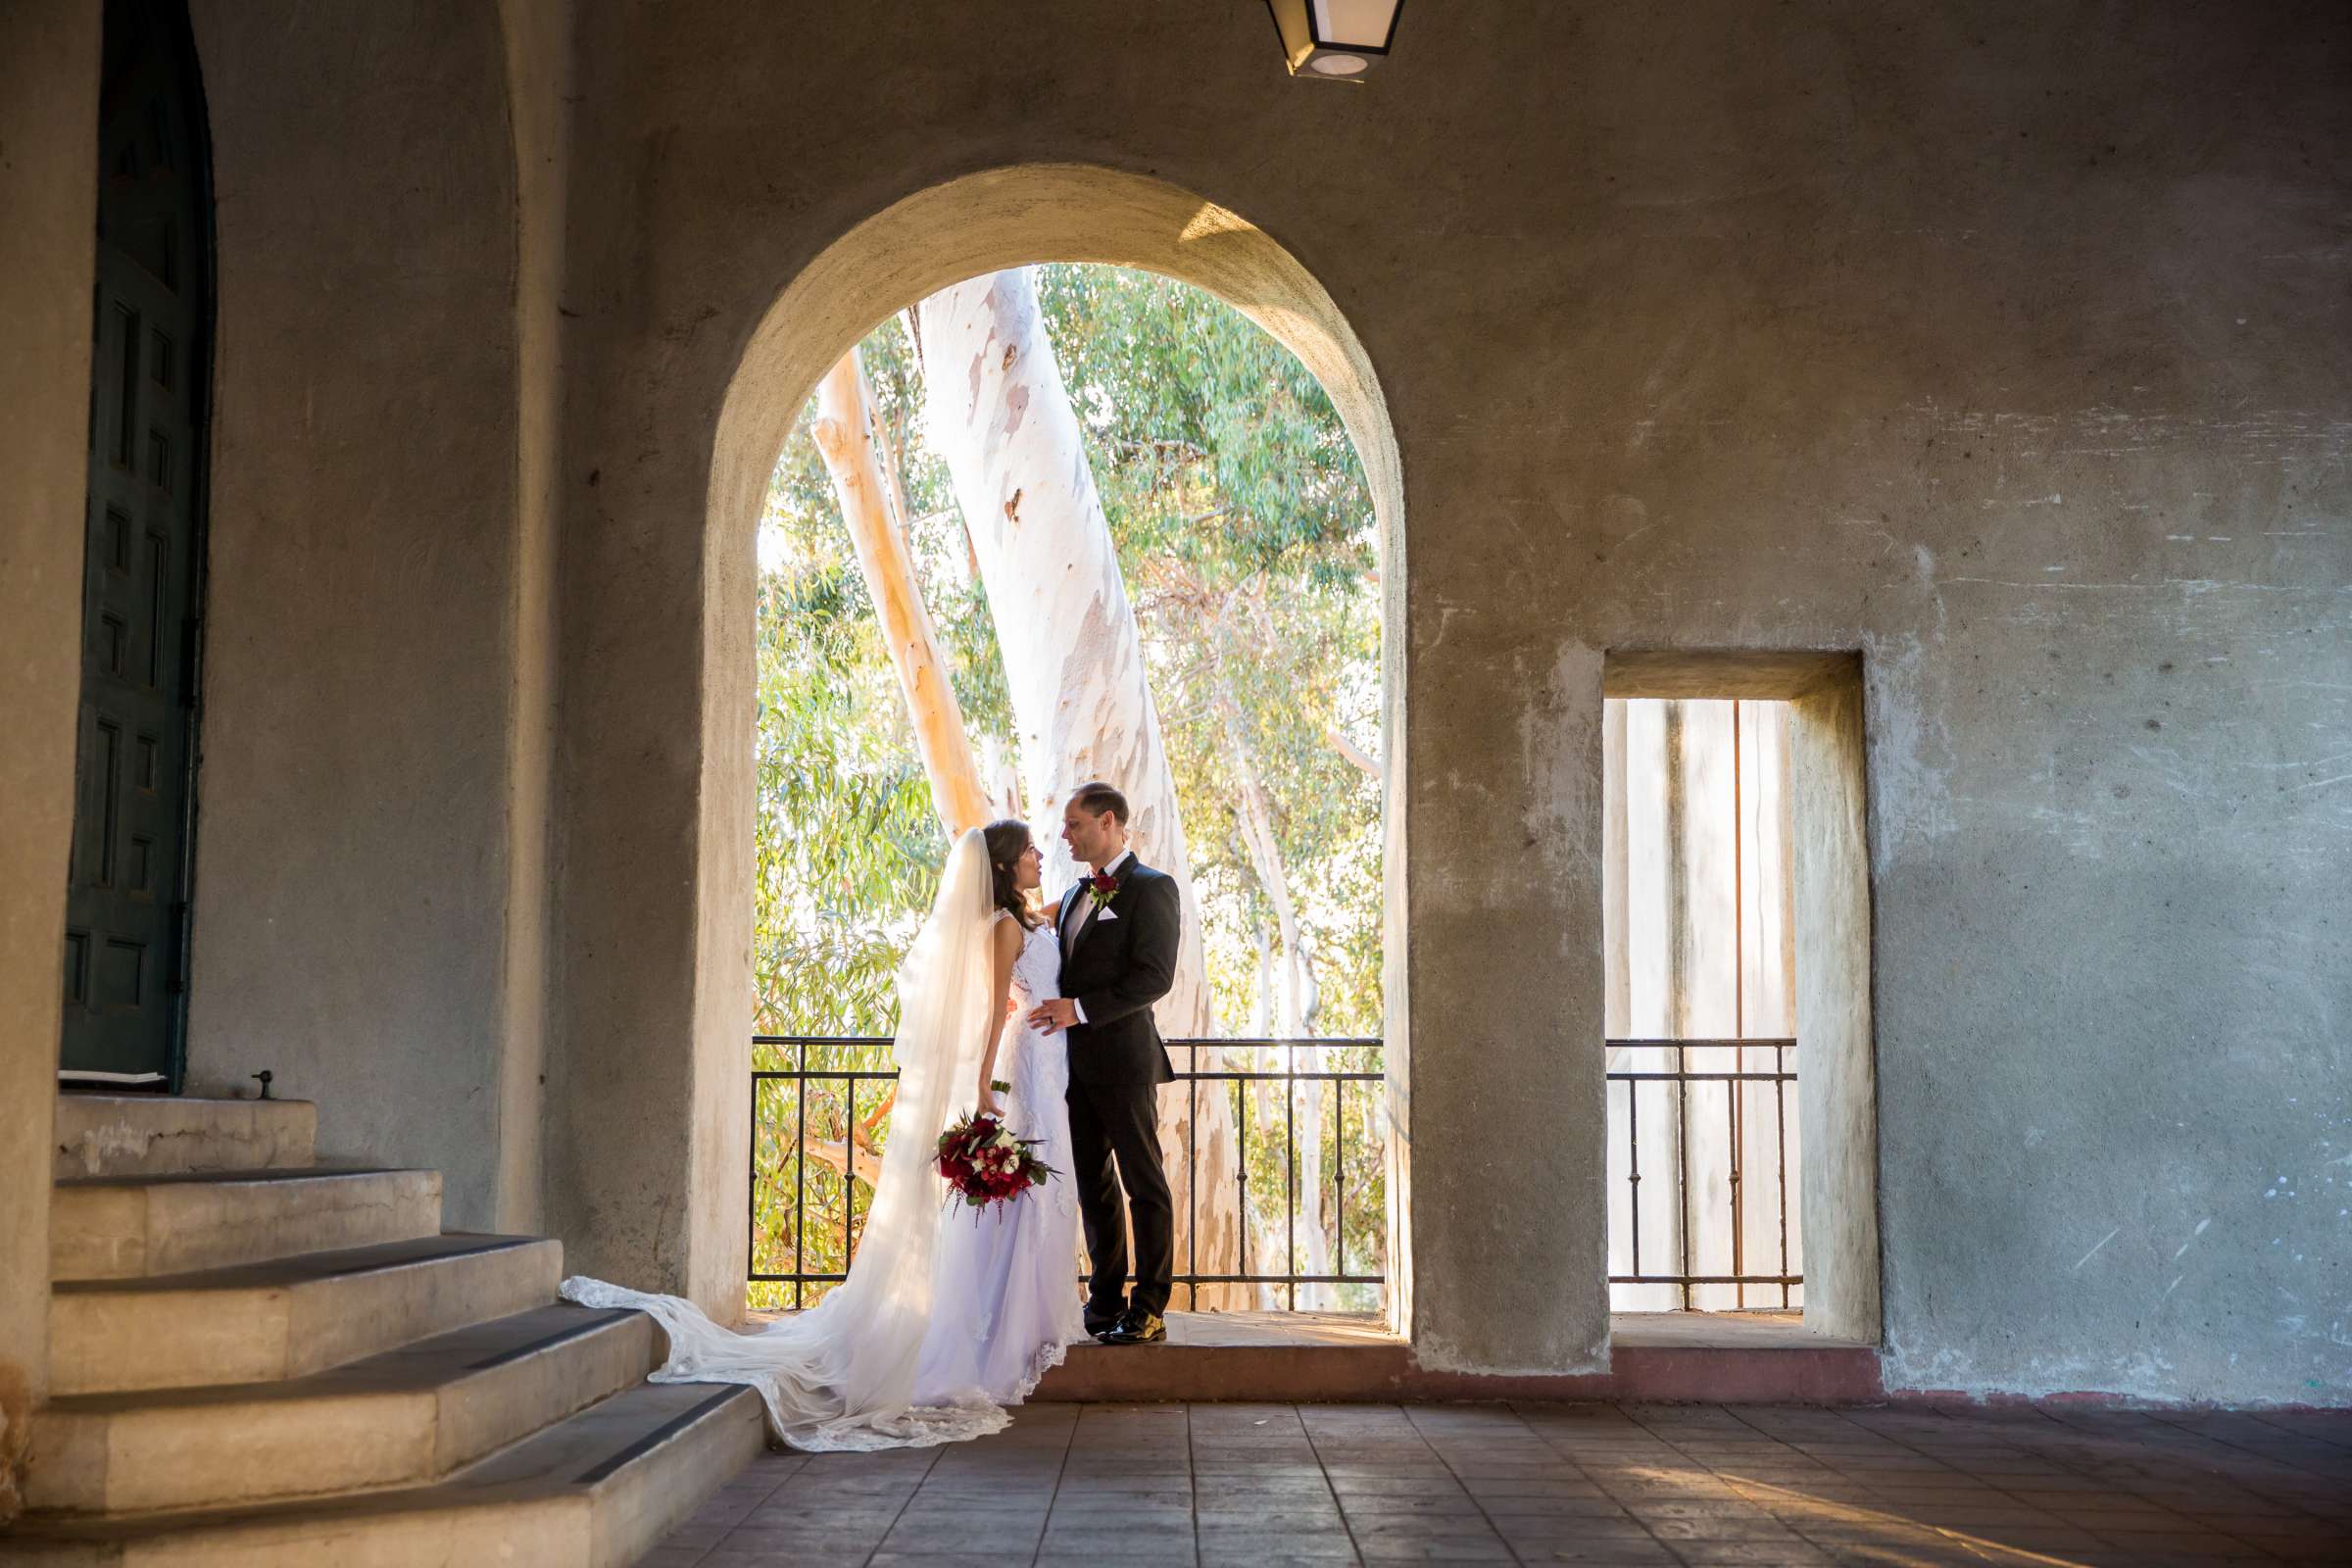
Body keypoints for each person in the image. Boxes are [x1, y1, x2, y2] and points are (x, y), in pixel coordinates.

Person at [560, 821, 1087, 1449]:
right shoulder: (1003, 927)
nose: (1037, 855)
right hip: (1024, 1063)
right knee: (1023, 1197)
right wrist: (979, 1087)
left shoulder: (1026, 919)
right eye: (1027, 849)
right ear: (1003, 866)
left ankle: (1024, 1328)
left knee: (1040, 1195)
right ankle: (995, 1338)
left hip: (1049, 1057)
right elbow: (994, 1003)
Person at [1027, 780, 1180, 1347]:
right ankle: (1105, 1299)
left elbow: (1154, 978)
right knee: (1093, 1187)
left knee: (1145, 1184)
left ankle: (1150, 1308)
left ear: (1108, 821)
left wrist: (1081, 1010)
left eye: (1074, 825)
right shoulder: (1071, 896)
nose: (1064, 835)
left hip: (1126, 1063)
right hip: (1073, 1070)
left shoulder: (1152, 888)